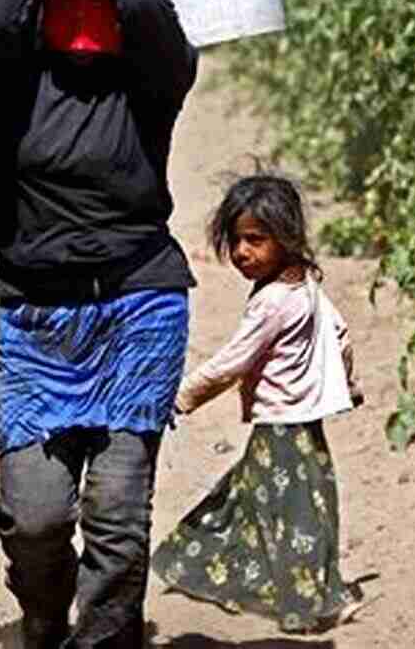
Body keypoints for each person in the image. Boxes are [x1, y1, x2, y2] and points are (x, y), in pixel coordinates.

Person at [0, 0, 198, 649]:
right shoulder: (12, 81)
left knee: (118, 515)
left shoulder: (150, 78)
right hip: (38, 316)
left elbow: (149, 4)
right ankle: (41, 614)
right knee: (35, 518)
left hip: (138, 306)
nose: (88, 6)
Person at [150, 173, 365, 634]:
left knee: (286, 513)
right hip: (305, 424)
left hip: (281, 426)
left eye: (255, 240)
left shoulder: (271, 302)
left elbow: (233, 362)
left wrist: (178, 399)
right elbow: (340, 333)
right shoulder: (305, 280)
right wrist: (348, 383)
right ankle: (310, 590)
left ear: (285, 239)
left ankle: (310, 602)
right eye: (235, 240)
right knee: (293, 505)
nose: (243, 252)